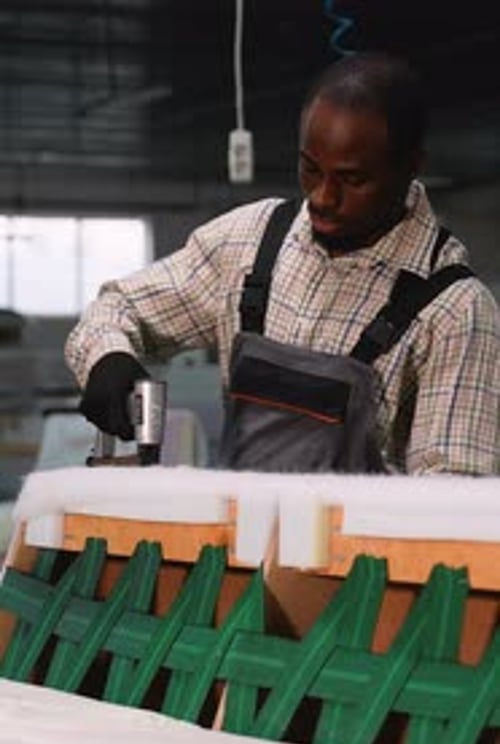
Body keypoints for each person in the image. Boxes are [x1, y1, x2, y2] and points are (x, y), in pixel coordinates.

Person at [65, 52, 500, 475]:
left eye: (352, 179)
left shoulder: (453, 311)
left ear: (410, 166)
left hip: (361, 530)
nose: (323, 198)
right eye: (310, 169)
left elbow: (451, 499)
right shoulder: (248, 243)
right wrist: (108, 358)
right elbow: (117, 308)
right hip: (238, 526)